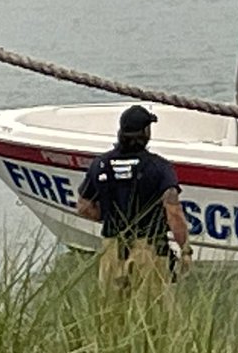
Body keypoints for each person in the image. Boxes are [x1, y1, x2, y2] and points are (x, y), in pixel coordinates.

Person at [77, 104, 192, 293]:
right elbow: (173, 213)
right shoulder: (160, 167)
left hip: (112, 250)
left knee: (110, 314)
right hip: (149, 251)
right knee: (152, 314)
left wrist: (108, 217)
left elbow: (83, 207)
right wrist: (185, 250)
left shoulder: (100, 165)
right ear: (146, 132)